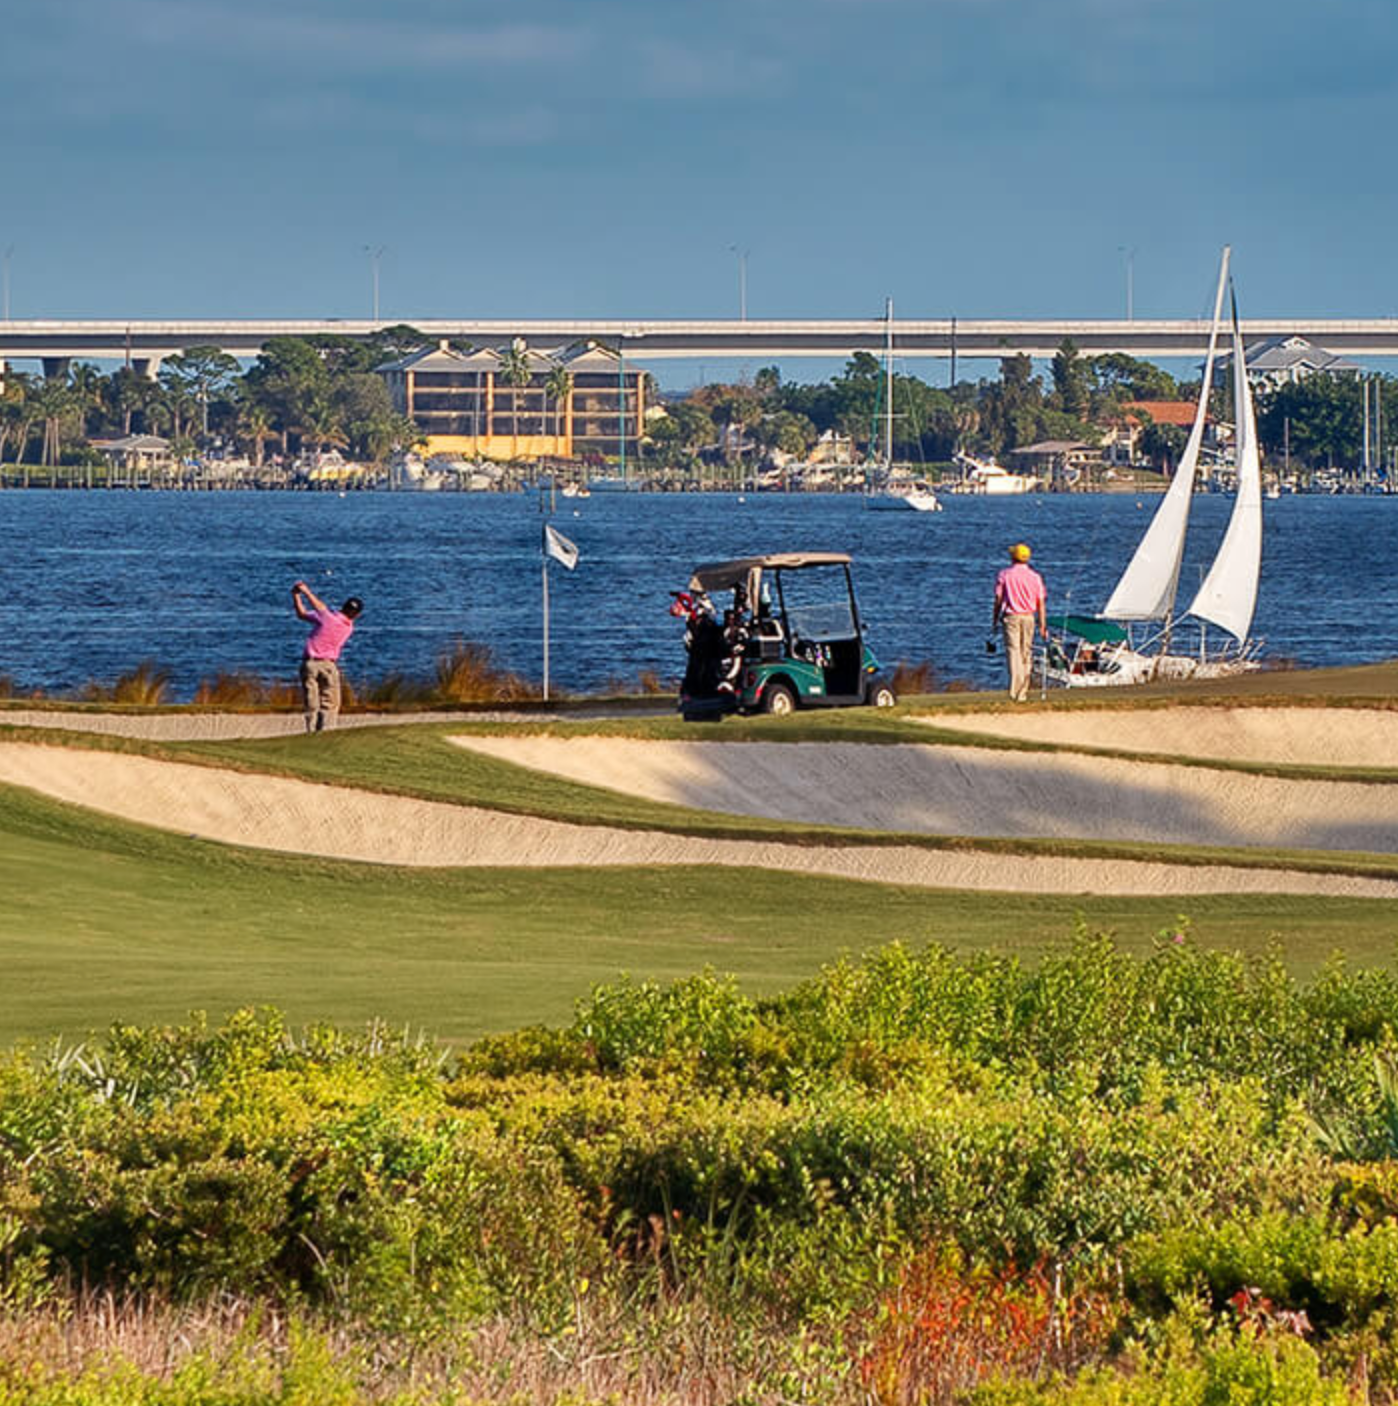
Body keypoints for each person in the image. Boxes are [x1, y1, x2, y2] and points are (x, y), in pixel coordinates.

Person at [291, 580, 362, 731]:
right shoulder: (348, 626)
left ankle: (311, 730)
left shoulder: (328, 618)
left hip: (309, 663)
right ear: (356, 615)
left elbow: (304, 613)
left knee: (311, 700)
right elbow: (313, 612)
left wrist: (301, 593)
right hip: (328, 666)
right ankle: (325, 730)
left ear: (343, 607)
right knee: (330, 702)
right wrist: (301, 593)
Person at [991, 542, 1047, 702]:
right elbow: (1041, 603)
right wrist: (1043, 625)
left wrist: (994, 620)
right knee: (1026, 653)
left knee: (1013, 652)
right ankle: (1023, 690)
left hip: (1011, 617)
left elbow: (998, 599)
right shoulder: (1035, 577)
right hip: (1029, 617)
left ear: (1013, 557)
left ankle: (1016, 690)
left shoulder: (1005, 575)